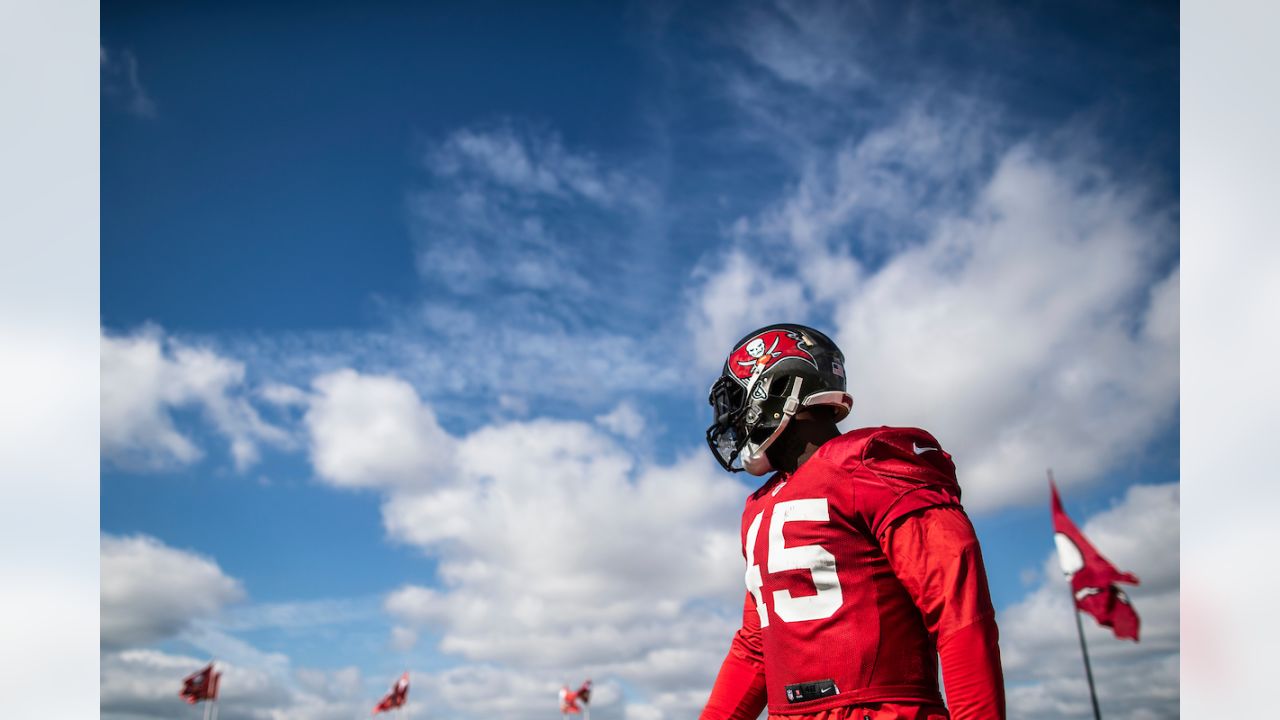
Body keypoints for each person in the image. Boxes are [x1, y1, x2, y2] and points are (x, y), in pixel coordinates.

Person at [701, 323, 1005, 720]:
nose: (733, 420)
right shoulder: (760, 505)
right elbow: (757, 645)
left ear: (778, 389)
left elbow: (956, 606)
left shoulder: (869, 461)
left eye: (738, 401)